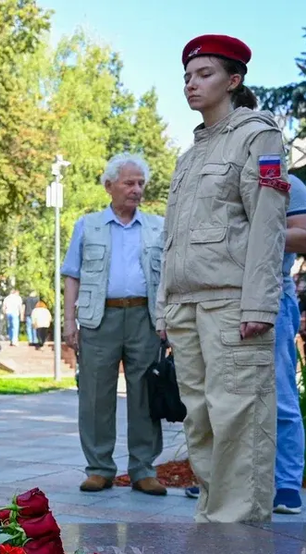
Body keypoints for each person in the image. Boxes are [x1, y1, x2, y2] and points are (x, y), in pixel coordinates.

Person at [156, 35, 289, 523]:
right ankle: (214, 522)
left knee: (239, 418)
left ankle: (239, 535)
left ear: (233, 80)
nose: (192, 83)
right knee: (201, 419)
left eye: (204, 74)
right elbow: (171, 239)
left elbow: (268, 225)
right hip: (187, 305)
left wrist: (258, 304)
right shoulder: (190, 155)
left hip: (232, 304)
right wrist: (164, 305)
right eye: (188, 76)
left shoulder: (258, 135)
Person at [62, 153, 167, 496]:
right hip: (98, 318)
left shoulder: (157, 226)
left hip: (144, 318)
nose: (137, 190)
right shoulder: (87, 225)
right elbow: (72, 277)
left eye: (140, 183)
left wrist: (167, 320)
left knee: (144, 395)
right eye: (129, 183)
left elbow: (168, 278)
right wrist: (68, 323)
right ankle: (99, 469)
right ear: (109, 186)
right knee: (94, 395)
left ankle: (143, 469)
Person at [271, 173, 306, 513]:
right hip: (220, 300)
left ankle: (287, 485)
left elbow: (304, 236)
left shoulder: (286, 182)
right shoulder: (220, 172)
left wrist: (255, 235)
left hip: (272, 299)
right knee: (224, 400)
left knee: (281, 396)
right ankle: (223, 481)